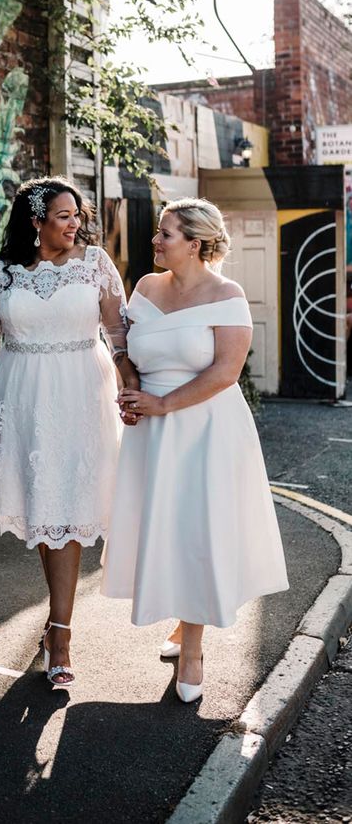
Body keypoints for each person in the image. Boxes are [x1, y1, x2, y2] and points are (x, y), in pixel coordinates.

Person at [100, 197, 288, 703]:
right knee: (163, 528)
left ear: (196, 243)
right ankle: (183, 625)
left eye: (165, 233)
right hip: (151, 430)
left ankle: (194, 648)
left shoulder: (226, 294)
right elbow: (129, 350)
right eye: (159, 232)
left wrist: (163, 403)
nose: (155, 241)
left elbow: (225, 373)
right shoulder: (144, 287)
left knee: (197, 529)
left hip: (205, 427)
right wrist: (133, 394)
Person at [0, 176, 137, 689]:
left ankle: (60, 634)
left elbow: (118, 334)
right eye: (63, 216)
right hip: (22, 402)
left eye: (76, 215)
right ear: (35, 220)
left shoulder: (94, 264)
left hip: (84, 397)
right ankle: (57, 624)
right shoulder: (1, 273)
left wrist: (131, 385)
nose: (75, 224)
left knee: (67, 514)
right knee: (48, 512)